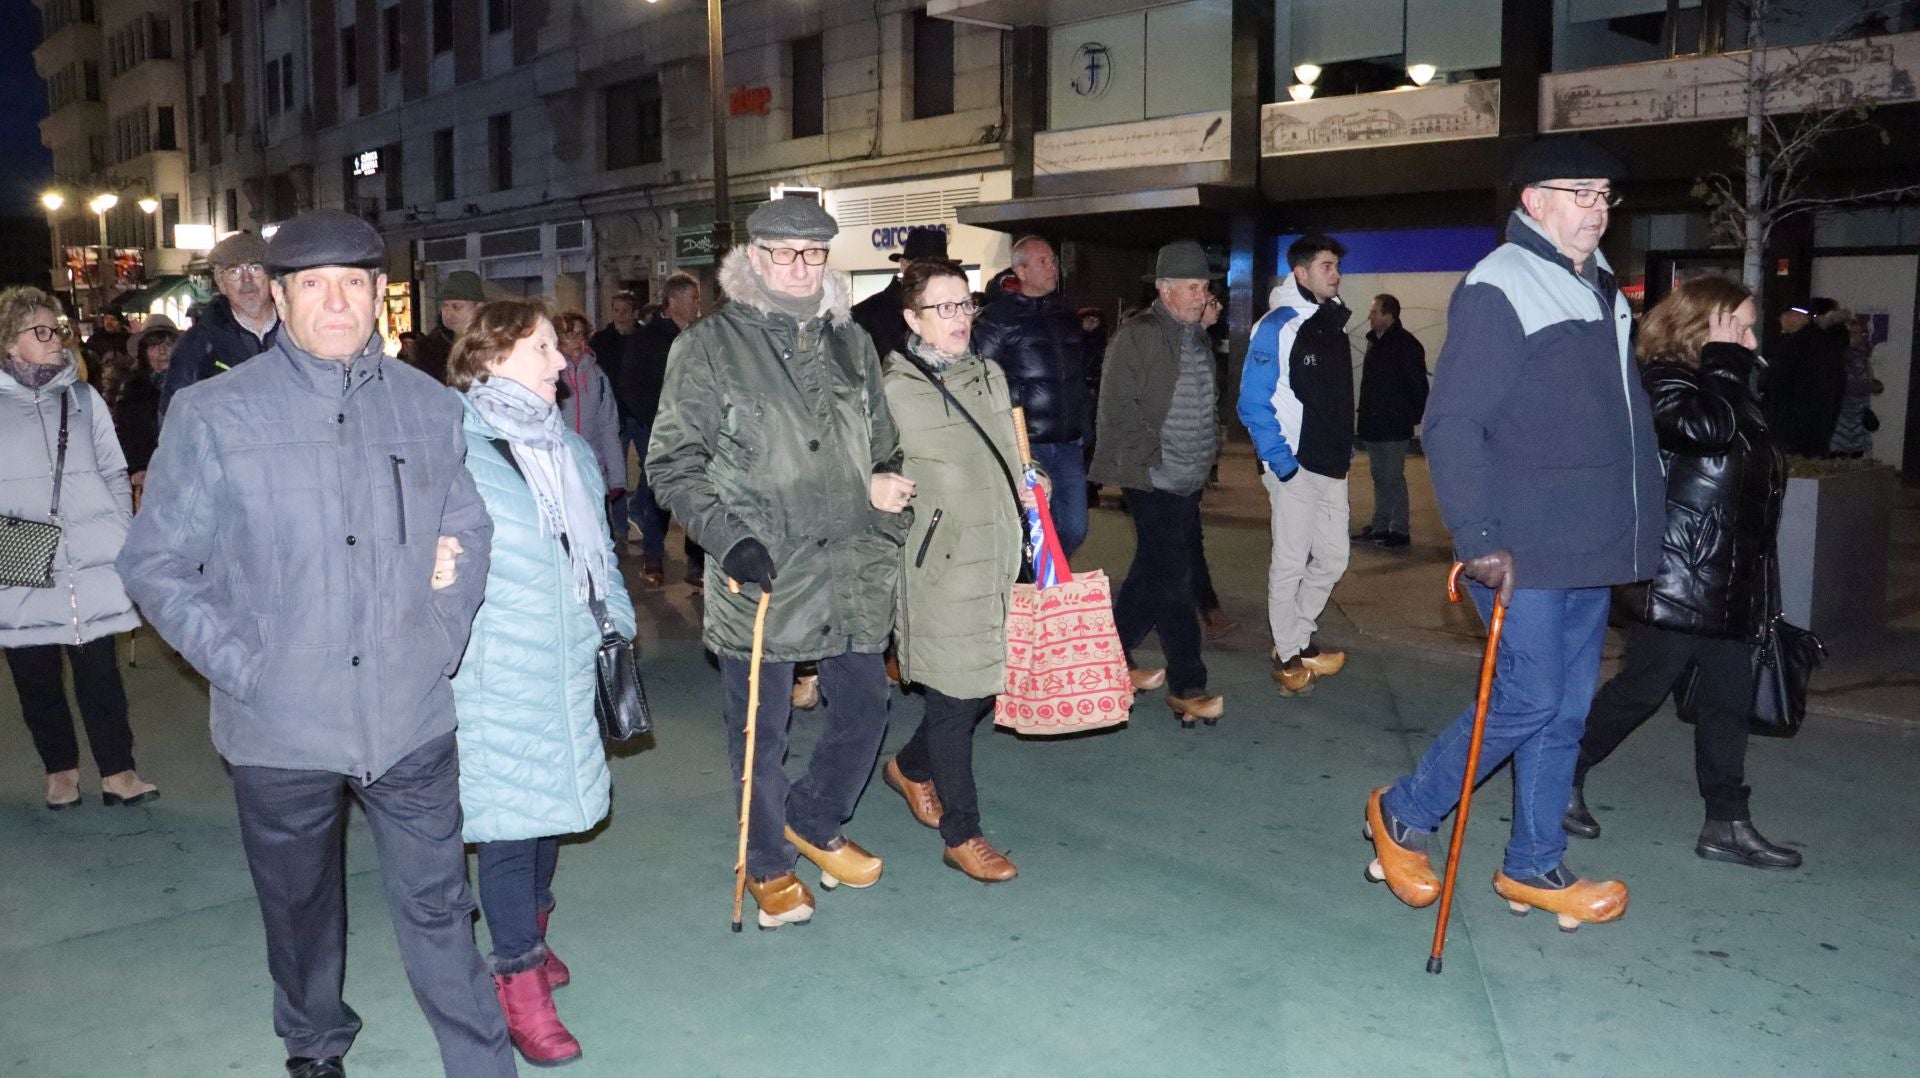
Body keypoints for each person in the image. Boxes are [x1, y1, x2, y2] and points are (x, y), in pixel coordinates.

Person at [119, 210, 514, 1078]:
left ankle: (481, 1063)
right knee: (299, 909)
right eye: (312, 285)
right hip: (281, 726)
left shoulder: (428, 406)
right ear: (280, 294)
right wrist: (246, 667)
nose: (335, 302)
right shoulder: (214, 413)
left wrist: (438, 636)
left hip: (410, 714)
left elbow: (468, 528)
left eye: (352, 284)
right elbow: (156, 564)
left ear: (378, 293)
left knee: (442, 906)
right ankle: (314, 1040)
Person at [1366, 135, 1664, 931]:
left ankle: (1532, 865)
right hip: (1520, 546)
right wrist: (1476, 536)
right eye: (1580, 193)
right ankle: (1403, 811)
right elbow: (1453, 422)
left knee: (1564, 711)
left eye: (1604, 196)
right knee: (1526, 699)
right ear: (1534, 200)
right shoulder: (1501, 284)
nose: (1597, 210)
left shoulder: (1603, 287)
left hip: (1585, 543)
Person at [648, 195, 913, 929]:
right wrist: (727, 538)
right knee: (760, 734)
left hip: (849, 564)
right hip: (763, 568)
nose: (800, 267)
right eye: (785, 253)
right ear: (755, 258)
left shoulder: (851, 343)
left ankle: (811, 817)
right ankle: (767, 862)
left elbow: (883, 443)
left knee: (866, 707)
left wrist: (884, 484)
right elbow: (673, 463)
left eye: (814, 254)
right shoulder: (708, 347)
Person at [446, 300, 638, 1065]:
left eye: (558, 348)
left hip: (568, 660)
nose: (561, 363)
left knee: (552, 812)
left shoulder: (570, 450)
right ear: (491, 358)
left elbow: (600, 556)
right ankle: (517, 980)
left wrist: (617, 628)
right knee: (510, 826)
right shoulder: (455, 449)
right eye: (543, 349)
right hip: (496, 668)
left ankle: (532, 930)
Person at [1565, 275, 1802, 871]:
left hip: (1728, 579)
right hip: (1675, 576)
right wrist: (1723, 363)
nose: (1752, 340)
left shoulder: (1728, 384)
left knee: (1728, 702)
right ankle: (1559, 774)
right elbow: (1704, 432)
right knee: (1641, 690)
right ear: (1705, 326)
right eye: (1740, 327)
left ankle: (1727, 822)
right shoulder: (1664, 381)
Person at [880, 258, 1034, 883]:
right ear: (912, 318)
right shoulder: (892, 391)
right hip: (940, 565)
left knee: (985, 685)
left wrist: (1029, 480)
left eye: (965, 303)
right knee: (954, 698)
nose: (959, 317)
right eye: (942, 307)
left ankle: (910, 767)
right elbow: (857, 467)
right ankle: (962, 834)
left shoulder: (989, 374)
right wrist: (874, 485)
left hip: (1000, 554)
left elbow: (1009, 453)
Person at [1, 287, 158, 811]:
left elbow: (114, 469)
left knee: (100, 671)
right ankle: (60, 771)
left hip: (91, 556)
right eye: (41, 331)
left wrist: (122, 533)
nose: (55, 340)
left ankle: (119, 771)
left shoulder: (83, 398)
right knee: (34, 672)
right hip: (20, 555)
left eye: (58, 329)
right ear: (10, 342)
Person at [1091, 239, 1226, 725]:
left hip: (1188, 476)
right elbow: (1116, 407)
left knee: (1151, 572)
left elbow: (1205, 402)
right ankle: (1188, 685)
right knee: (1175, 578)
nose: (1201, 296)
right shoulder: (1138, 336)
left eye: (1205, 287)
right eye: (1192, 287)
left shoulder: (1196, 337)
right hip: (1152, 476)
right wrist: (1153, 457)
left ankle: (1107, 655)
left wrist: (1205, 454)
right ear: (1165, 290)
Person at [1237, 234, 1355, 696]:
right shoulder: (1277, 325)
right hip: (1295, 465)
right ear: (1301, 273)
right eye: (1327, 266)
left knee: (1333, 557)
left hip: (1331, 464)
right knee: (1289, 561)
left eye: (1337, 266)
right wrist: (1281, 463)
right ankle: (1288, 652)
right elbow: (1252, 402)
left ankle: (1298, 636)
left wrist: (1343, 450)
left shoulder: (1331, 322)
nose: (1336, 274)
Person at [974, 234, 1094, 555]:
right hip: (1026, 444)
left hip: (1068, 442)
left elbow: (1080, 376)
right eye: (1044, 261)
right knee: (1031, 527)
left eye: (1053, 260)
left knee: (1074, 527)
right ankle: (1033, 580)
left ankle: (1048, 577)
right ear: (1021, 271)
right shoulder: (998, 319)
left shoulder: (1066, 315)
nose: (1053, 267)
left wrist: (1085, 425)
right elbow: (980, 379)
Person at [620, 273, 705, 587]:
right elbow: (630, 385)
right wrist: (654, 422)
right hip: (661, 430)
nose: (698, 305)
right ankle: (653, 557)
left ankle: (696, 564)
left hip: (696, 430)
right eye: (693, 298)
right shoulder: (646, 339)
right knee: (659, 493)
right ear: (674, 301)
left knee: (696, 492)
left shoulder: (700, 336)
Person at [160, 231, 278, 422]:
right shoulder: (197, 345)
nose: (247, 280)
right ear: (221, 284)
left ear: (271, 277)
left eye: (255, 268)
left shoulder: (300, 332)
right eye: (234, 272)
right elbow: (175, 416)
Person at [1353, 293, 1429, 549]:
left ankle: (1399, 530)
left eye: (1374, 312)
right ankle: (1380, 525)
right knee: (1379, 476)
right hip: (1374, 423)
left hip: (1394, 424)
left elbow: (1418, 386)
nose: (1370, 316)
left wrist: (1411, 417)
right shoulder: (1375, 342)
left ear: (1389, 315)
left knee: (1393, 477)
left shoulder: (1406, 345)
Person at [552, 309, 626, 511]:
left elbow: (608, 427)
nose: (578, 340)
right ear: (557, 338)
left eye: (581, 334)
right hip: (559, 471)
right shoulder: (549, 374)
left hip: (592, 470)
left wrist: (616, 477)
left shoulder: (597, 376)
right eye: (570, 334)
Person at [853, 226, 950, 364]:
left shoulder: (951, 314)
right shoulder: (864, 316)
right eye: (924, 268)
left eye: (942, 270)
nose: (933, 276)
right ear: (904, 265)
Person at [1763, 297, 1845, 457]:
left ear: (1800, 317)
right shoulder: (1828, 344)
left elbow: (1776, 382)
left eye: (1785, 314)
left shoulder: (1792, 345)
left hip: (1790, 422)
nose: (1781, 319)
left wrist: (1766, 377)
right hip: (1821, 421)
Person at [113, 316, 178, 503]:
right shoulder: (133, 388)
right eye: (154, 346)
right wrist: (136, 466)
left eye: (168, 344)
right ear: (144, 352)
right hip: (150, 476)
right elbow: (125, 431)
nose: (162, 351)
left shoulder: (190, 383)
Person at [412, 269, 487, 384]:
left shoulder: (493, 344)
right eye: (445, 306)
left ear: (479, 307)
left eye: (457, 307)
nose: (448, 313)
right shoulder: (429, 349)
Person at [1829, 313, 1878, 457]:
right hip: (1839, 420)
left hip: (1858, 420)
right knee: (1838, 457)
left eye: (1860, 333)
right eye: (1852, 333)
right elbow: (1844, 385)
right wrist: (1869, 386)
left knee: (1855, 457)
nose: (1858, 337)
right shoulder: (1837, 357)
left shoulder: (1862, 357)